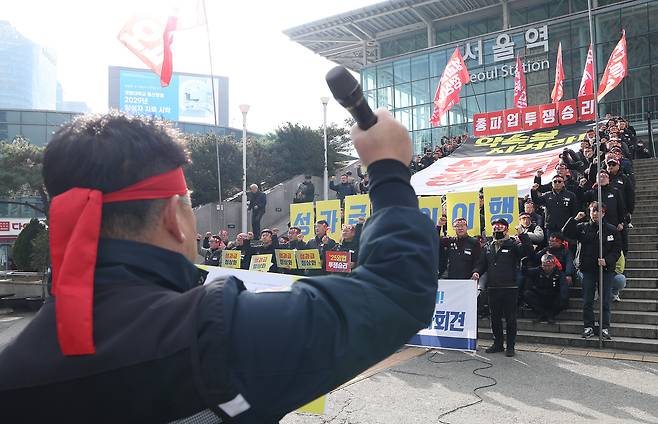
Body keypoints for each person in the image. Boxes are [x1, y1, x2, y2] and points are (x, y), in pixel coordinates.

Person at [0, 110, 439, 422]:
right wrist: (387, 168)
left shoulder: (14, 369)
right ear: (175, 217)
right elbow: (396, 290)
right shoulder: (216, 332)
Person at [472, 218, 532, 357]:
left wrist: (523, 235)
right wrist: (476, 272)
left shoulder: (513, 244)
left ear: (506, 229)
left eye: (500, 227)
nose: (497, 229)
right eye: (495, 227)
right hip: (493, 287)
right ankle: (498, 343)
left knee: (510, 318)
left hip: (510, 287)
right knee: (495, 318)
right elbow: (482, 264)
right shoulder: (488, 246)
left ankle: (510, 346)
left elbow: (528, 252)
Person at [562, 202, 622, 340]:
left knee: (605, 300)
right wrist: (575, 219)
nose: (595, 213)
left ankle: (605, 327)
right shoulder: (582, 227)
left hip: (605, 270)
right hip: (588, 270)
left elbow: (617, 250)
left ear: (603, 213)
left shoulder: (611, 229)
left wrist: (607, 260)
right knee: (587, 300)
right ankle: (588, 326)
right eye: (592, 211)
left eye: (598, 211)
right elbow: (565, 232)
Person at [522, 254, 567, 324]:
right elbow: (526, 272)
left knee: (563, 298)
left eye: (549, 266)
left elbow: (563, 287)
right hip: (540, 295)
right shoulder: (537, 270)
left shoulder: (559, 274)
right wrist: (524, 265)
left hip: (553, 297)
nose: (547, 268)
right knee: (527, 294)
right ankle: (541, 314)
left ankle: (550, 315)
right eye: (544, 266)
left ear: (554, 265)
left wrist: (563, 297)